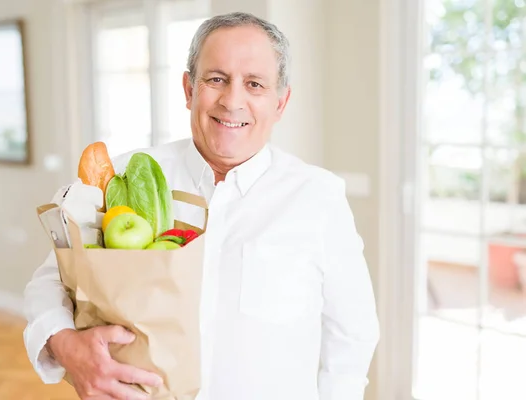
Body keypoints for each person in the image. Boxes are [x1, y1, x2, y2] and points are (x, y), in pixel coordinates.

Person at [23, 11, 380, 400]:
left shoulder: (319, 197)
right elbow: (49, 281)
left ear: (281, 102)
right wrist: (65, 345)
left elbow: (352, 334)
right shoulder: (124, 176)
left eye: (255, 84)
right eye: (216, 79)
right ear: (189, 89)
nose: (232, 101)